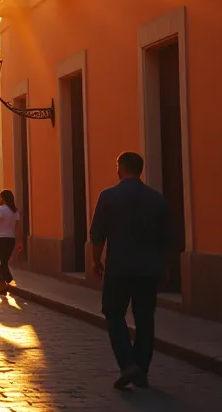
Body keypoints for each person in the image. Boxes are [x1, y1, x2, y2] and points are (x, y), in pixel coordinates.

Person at [90, 151, 170, 391]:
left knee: (114, 313)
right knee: (145, 318)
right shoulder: (157, 199)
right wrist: (164, 269)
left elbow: (97, 233)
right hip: (149, 268)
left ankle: (127, 364)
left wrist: (96, 260)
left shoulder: (109, 196)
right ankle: (141, 369)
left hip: (119, 267)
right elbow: (166, 240)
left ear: (120, 169)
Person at [0, 189, 22, 295]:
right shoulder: (15, 211)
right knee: (4, 262)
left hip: (0, 238)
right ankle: (4, 285)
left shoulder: (1, 210)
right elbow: (17, 228)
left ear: (3, 198)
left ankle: (6, 279)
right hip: (10, 239)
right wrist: (19, 241)